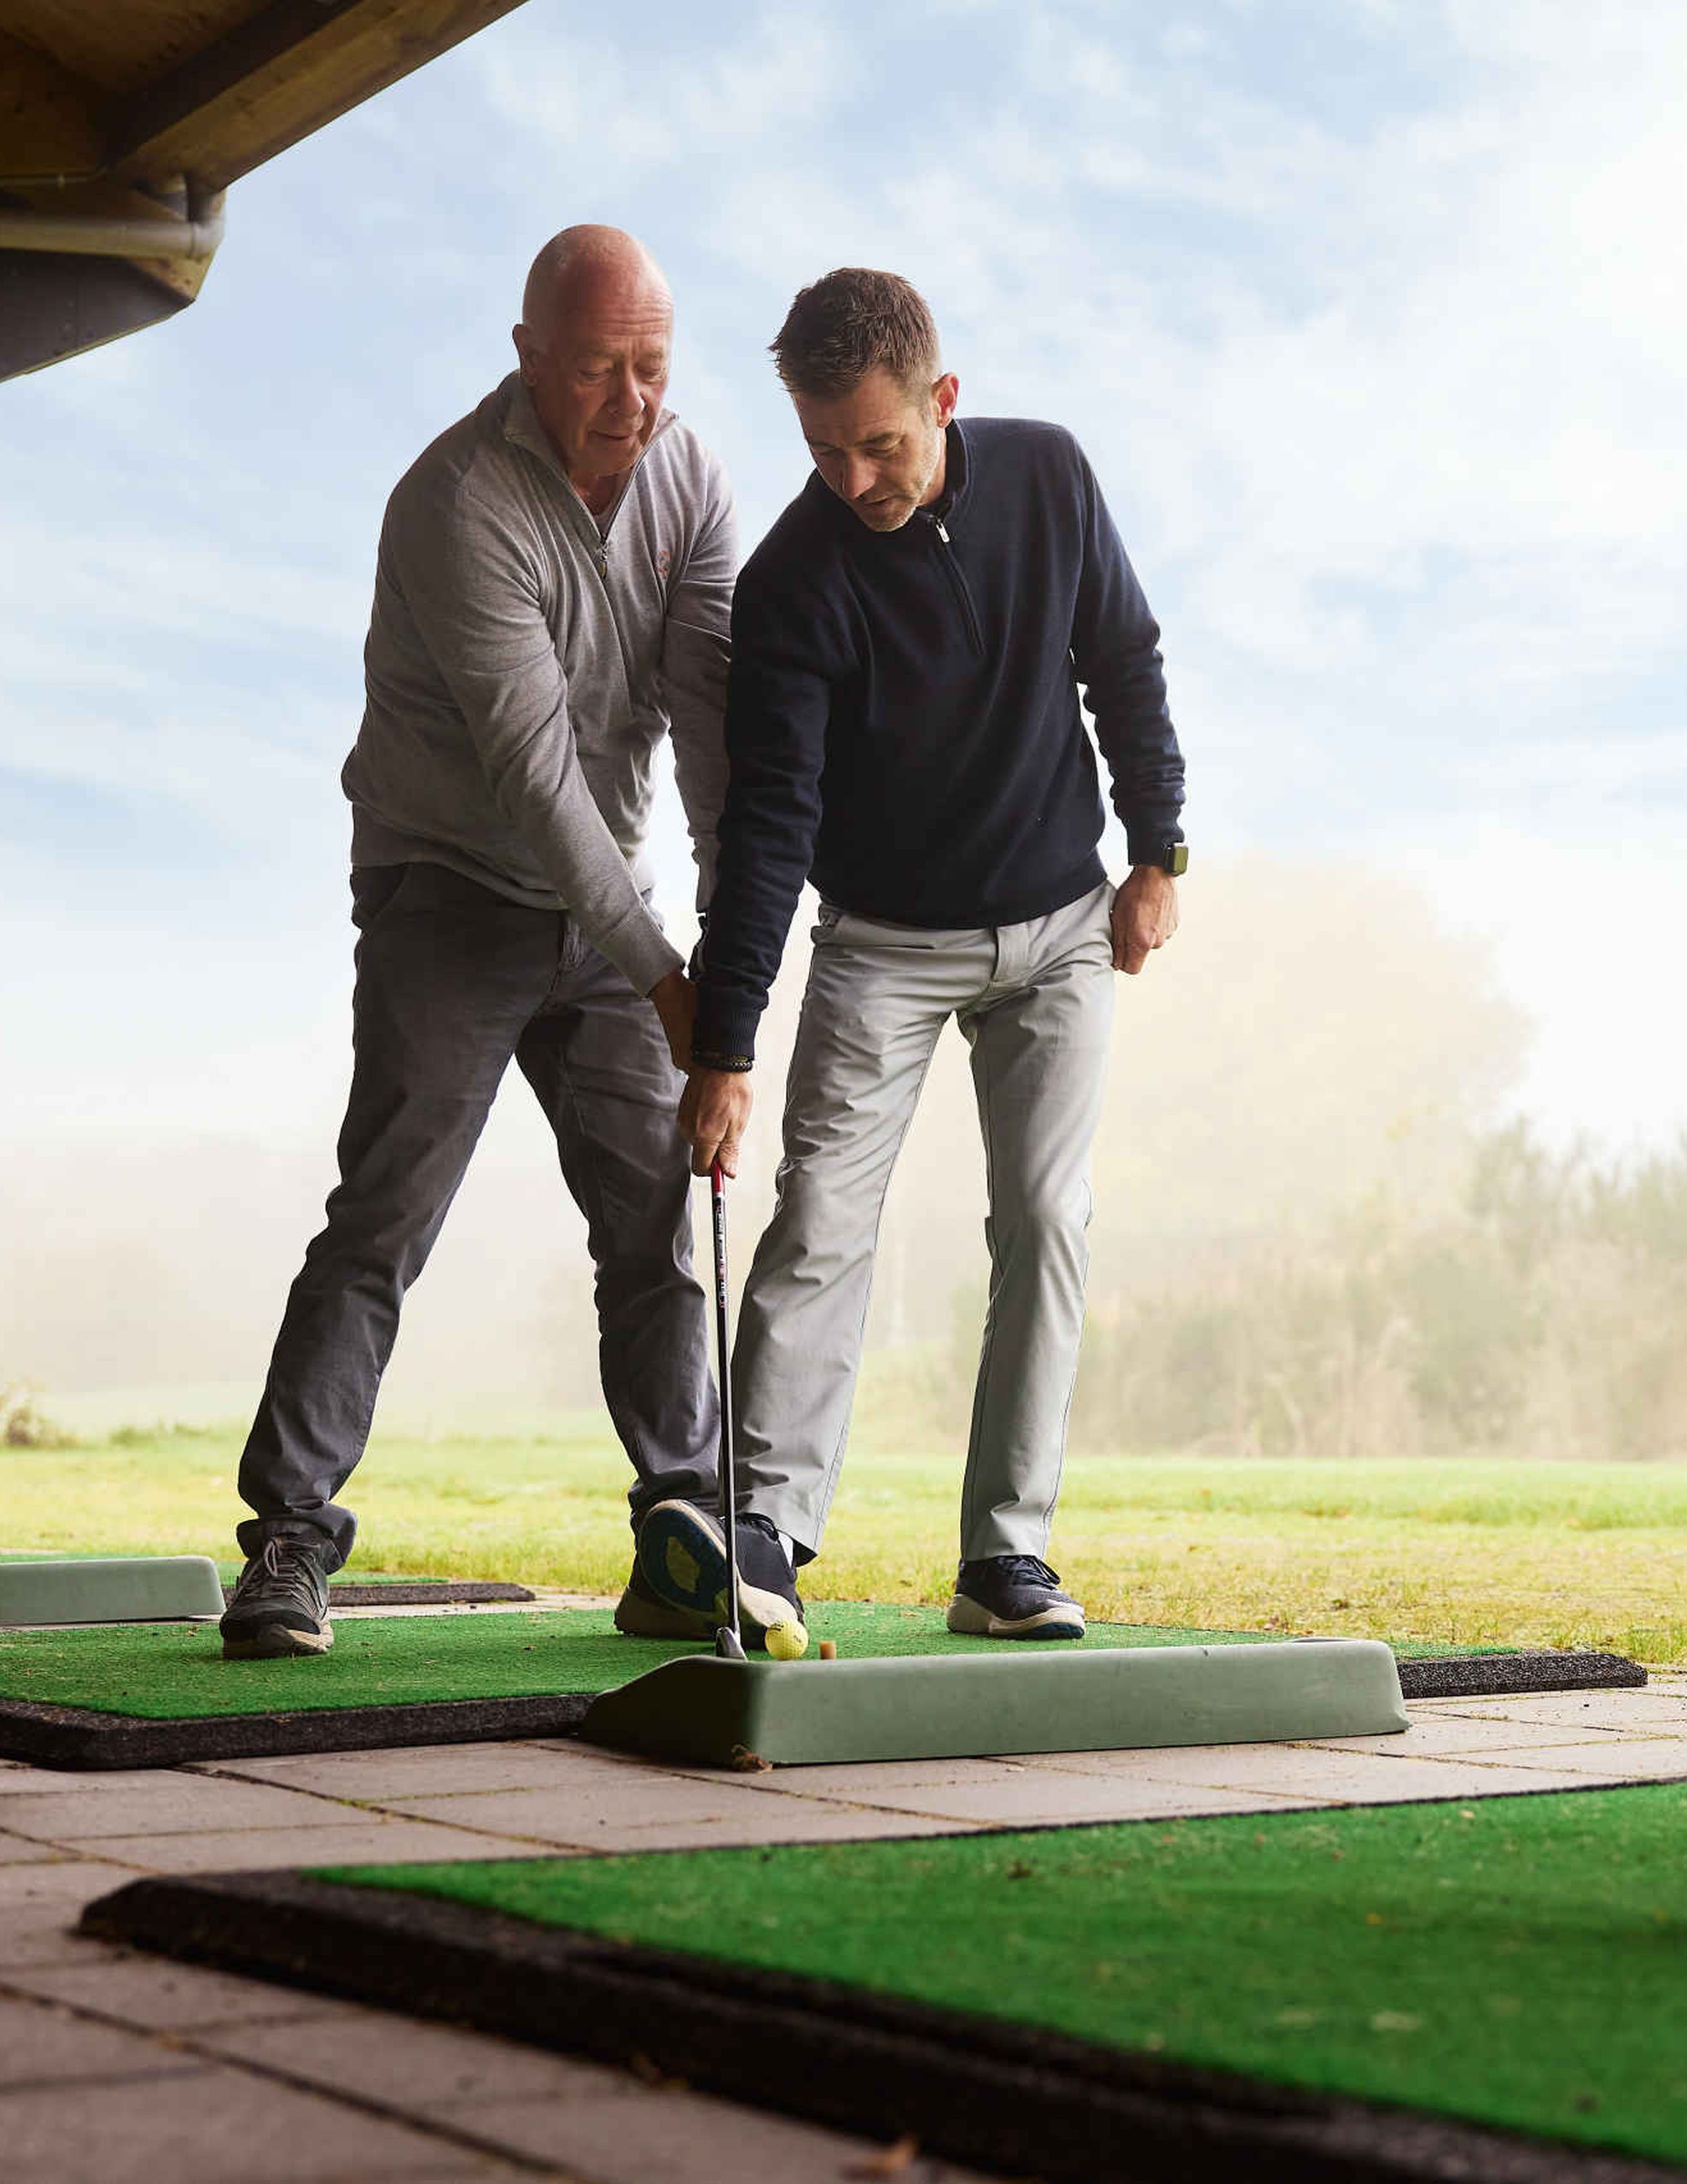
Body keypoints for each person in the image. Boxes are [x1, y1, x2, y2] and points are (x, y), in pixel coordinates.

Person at [219, 227, 742, 1661]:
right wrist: (666, 978)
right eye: (596, 369)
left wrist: (727, 972)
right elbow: (536, 783)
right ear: (527, 359)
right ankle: (287, 1548)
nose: (631, 401)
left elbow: (709, 733)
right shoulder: (456, 502)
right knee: (388, 1210)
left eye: (652, 367)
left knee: (651, 1232)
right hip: (449, 890)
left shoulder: (690, 476)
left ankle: (689, 1535)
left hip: (610, 913)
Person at [678, 268, 1186, 1647]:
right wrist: (726, 1046)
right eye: (824, 451)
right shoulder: (792, 582)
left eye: (880, 445)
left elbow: (1124, 659)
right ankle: (765, 1537)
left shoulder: (1049, 477)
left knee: (1045, 1219)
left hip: (1062, 926)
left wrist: (1159, 850)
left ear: (942, 401)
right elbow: (769, 821)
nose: (853, 480)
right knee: (822, 1222)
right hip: (884, 948)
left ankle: (1005, 1562)